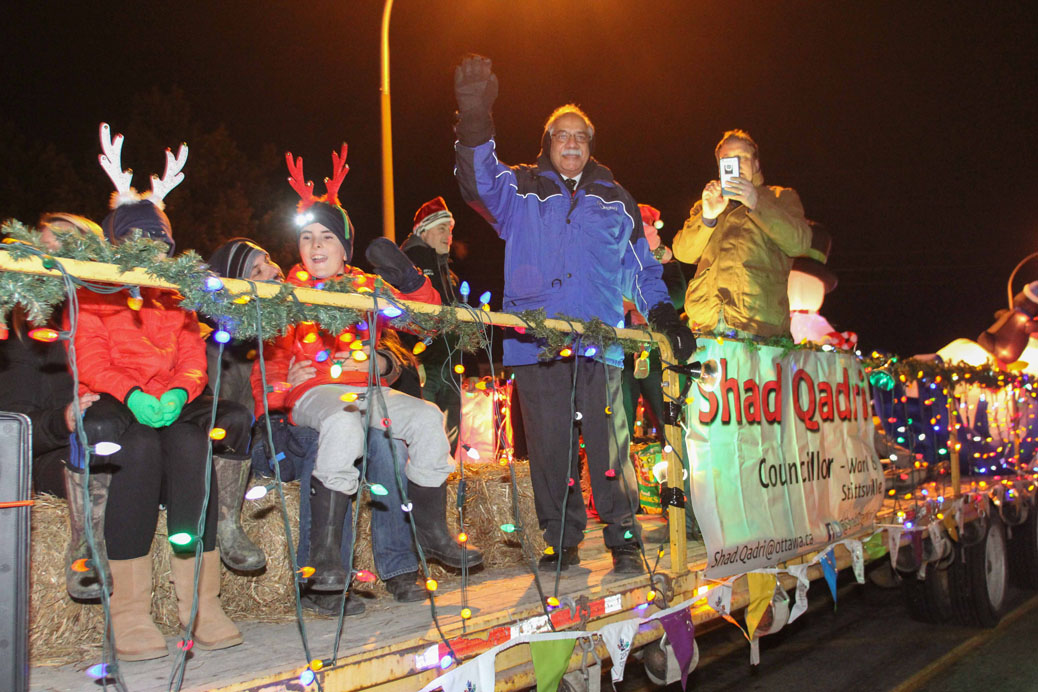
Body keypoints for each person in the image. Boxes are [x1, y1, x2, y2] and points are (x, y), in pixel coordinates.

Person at [452, 55, 695, 575]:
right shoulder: (518, 189)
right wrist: (475, 117)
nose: (571, 143)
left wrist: (665, 316)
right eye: (561, 135)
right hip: (534, 344)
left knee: (611, 448)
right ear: (547, 143)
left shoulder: (615, 200)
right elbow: (476, 181)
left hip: (600, 342)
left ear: (590, 145)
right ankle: (560, 540)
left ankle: (624, 538)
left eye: (581, 136)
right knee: (550, 448)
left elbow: (643, 268)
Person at [254, 145, 483, 595]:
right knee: (343, 427)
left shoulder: (365, 286)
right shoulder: (288, 290)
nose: (315, 246)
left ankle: (432, 533)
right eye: (307, 238)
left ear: (344, 247)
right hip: (314, 397)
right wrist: (284, 386)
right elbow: (264, 358)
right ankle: (323, 556)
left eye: (326, 237)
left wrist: (411, 280)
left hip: (365, 390)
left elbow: (428, 320)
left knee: (426, 419)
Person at [70, 124, 247, 660]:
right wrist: (131, 394)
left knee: (194, 447)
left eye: (158, 243)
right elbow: (89, 356)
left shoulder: (176, 299)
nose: (149, 253)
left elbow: (194, 355)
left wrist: (180, 390)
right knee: (138, 454)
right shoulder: (93, 291)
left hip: (168, 403)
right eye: (137, 242)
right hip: (121, 408)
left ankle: (200, 601)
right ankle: (129, 610)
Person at [207, 238, 426, 611]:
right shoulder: (234, 335)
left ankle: (399, 567)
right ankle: (320, 580)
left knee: (387, 442)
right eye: (255, 272)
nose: (271, 273)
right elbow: (234, 410)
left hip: (328, 414)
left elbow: (365, 359)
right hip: (270, 440)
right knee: (325, 437)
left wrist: (383, 362)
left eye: (269, 263)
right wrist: (288, 386)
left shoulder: (308, 303)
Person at [0, 213, 112, 601]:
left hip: (110, 434)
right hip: (54, 452)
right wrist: (61, 419)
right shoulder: (28, 332)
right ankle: (86, 557)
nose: (49, 247)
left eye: (64, 239)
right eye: (43, 240)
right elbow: (14, 425)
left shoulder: (110, 315)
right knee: (96, 462)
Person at [673, 129, 812, 338]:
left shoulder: (781, 197)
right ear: (720, 169)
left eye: (742, 158)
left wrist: (755, 202)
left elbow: (799, 243)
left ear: (756, 164)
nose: (735, 165)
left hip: (758, 325)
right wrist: (708, 217)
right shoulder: (707, 204)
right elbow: (682, 252)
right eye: (728, 159)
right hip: (704, 323)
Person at [400, 196, 463, 450]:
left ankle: (444, 483)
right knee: (421, 433)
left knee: (448, 431)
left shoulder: (448, 272)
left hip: (450, 362)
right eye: (441, 228)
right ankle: (419, 487)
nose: (448, 234)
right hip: (421, 363)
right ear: (422, 231)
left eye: (450, 229)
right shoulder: (408, 267)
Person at [621, 205, 686, 443]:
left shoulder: (666, 261)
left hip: (657, 353)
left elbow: (678, 296)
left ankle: (676, 474)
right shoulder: (616, 259)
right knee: (620, 422)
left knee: (668, 418)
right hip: (621, 352)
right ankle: (618, 477)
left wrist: (644, 304)